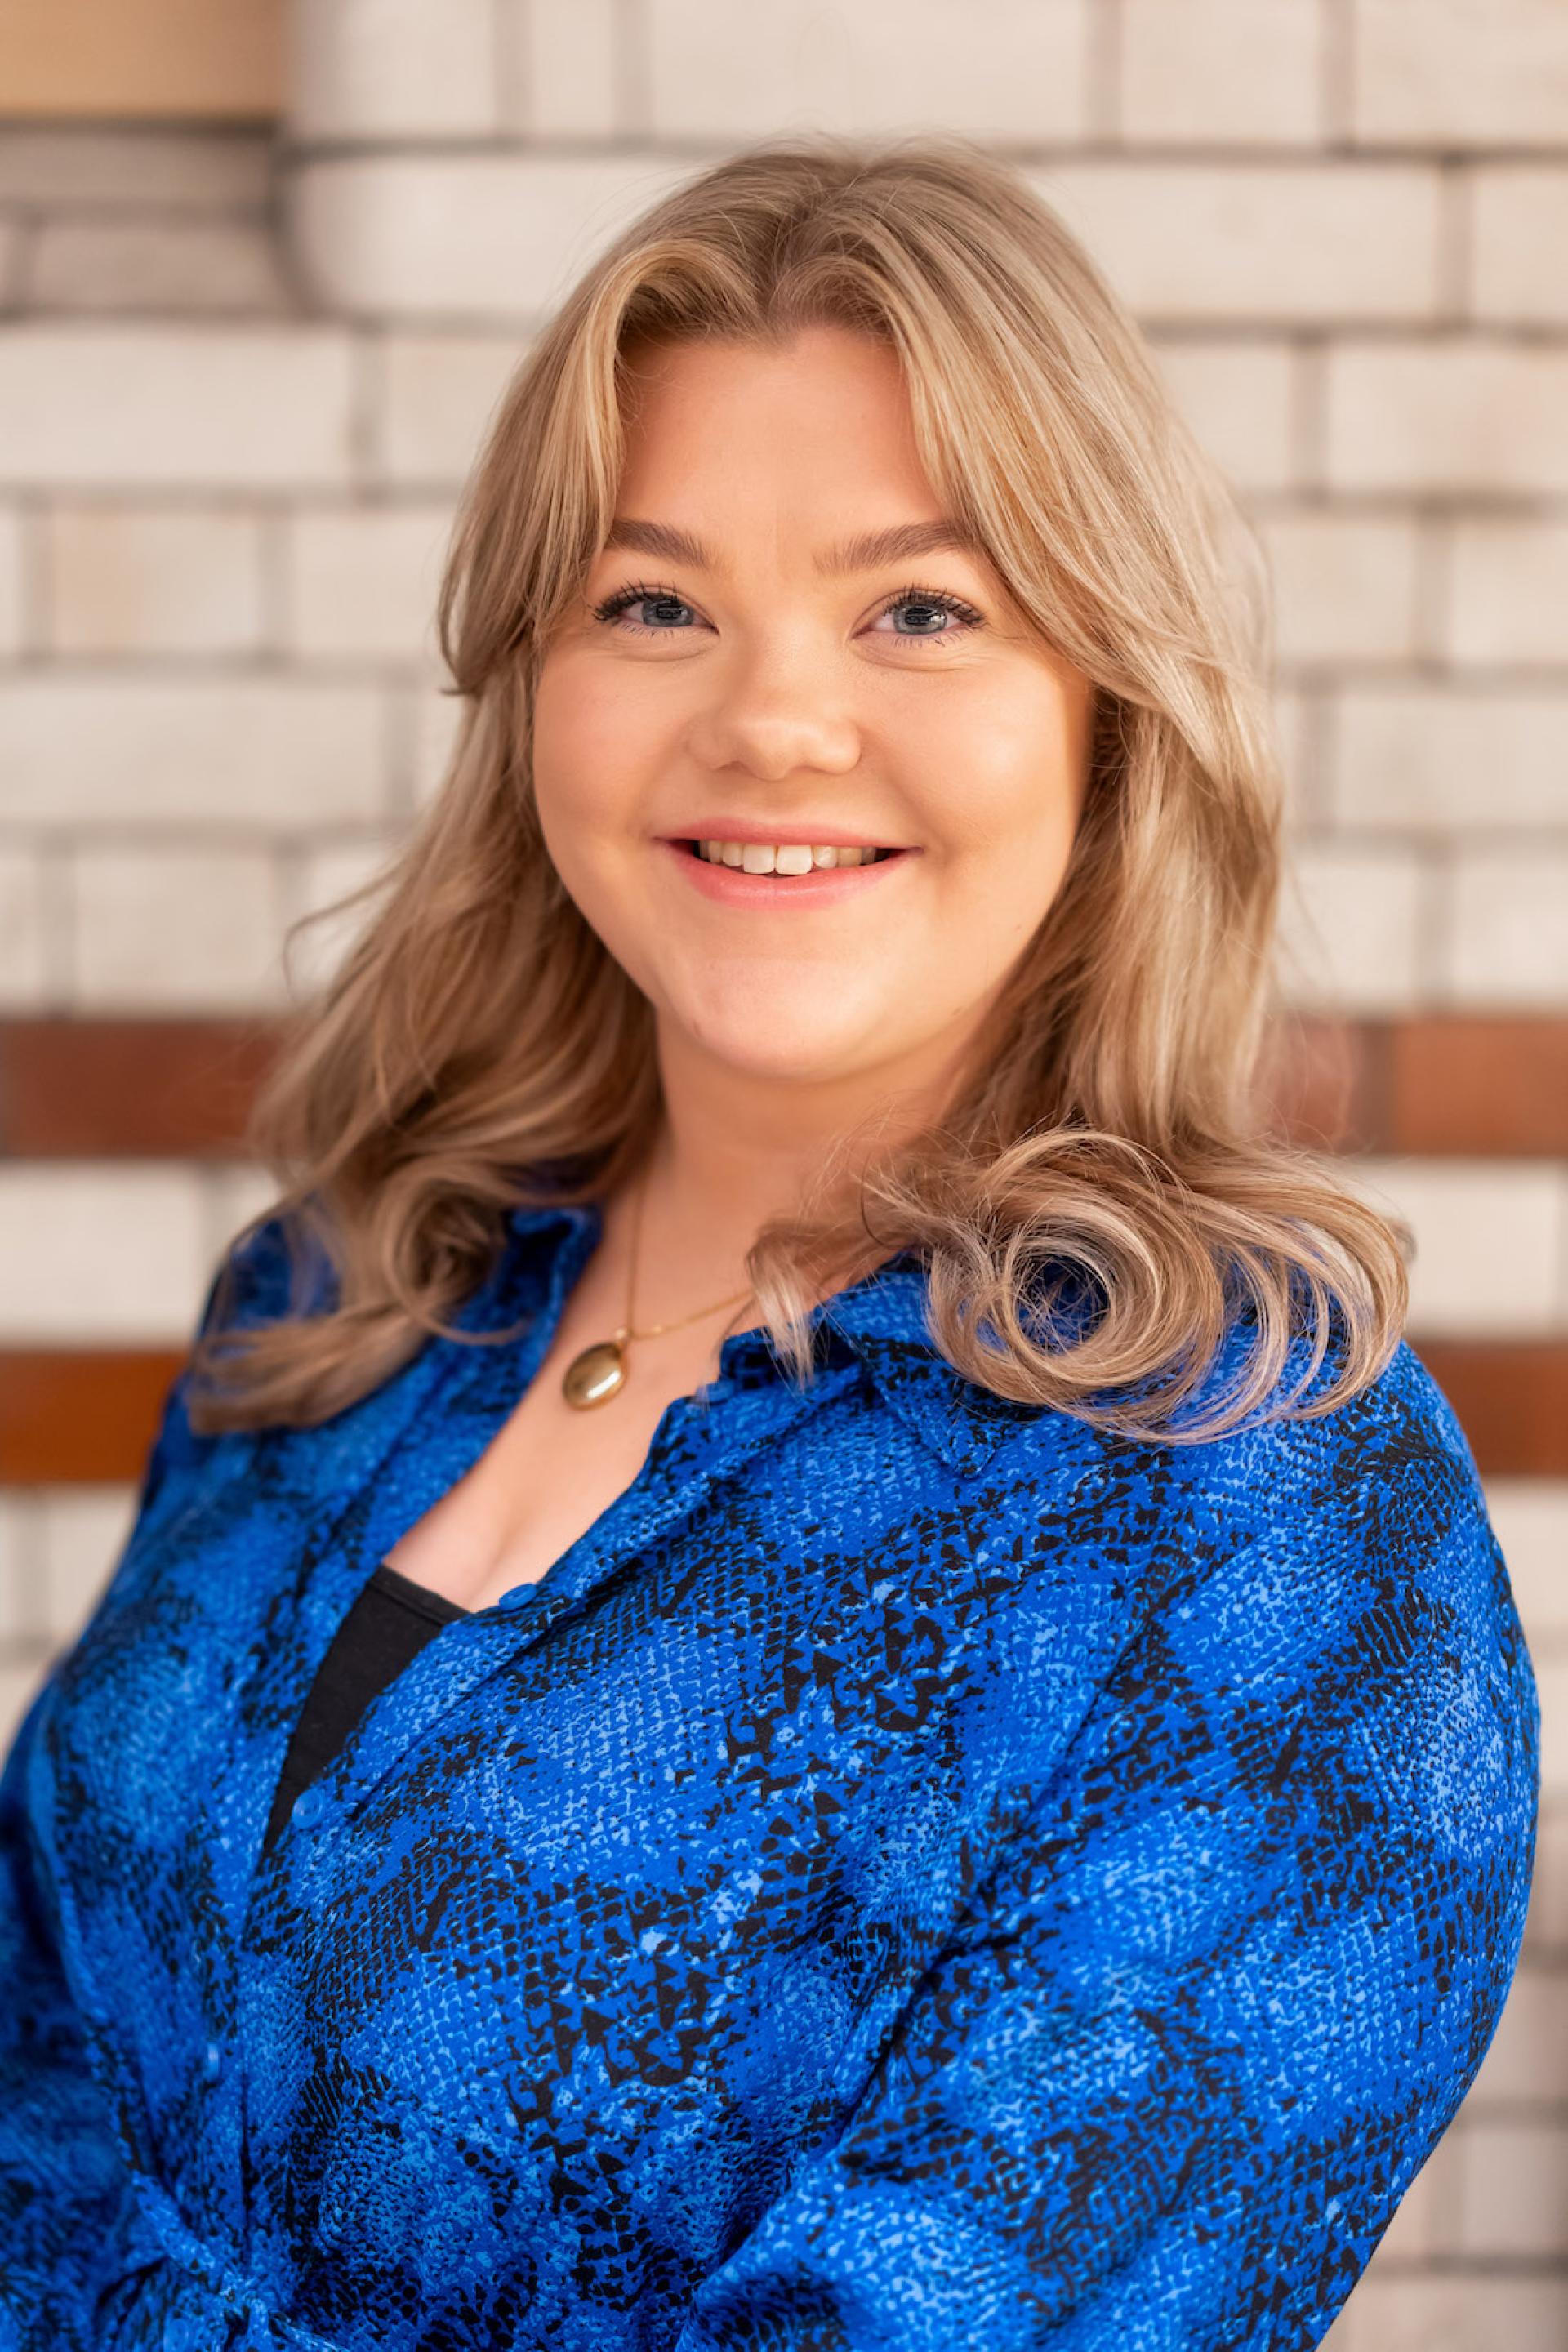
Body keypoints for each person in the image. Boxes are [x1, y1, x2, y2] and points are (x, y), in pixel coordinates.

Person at [0, 136, 1537, 2351]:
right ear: (536, 684)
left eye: (920, 606)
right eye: (654, 602)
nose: (772, 721)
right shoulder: (340, 1308)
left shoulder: (1273, 1522)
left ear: (1106, 710)